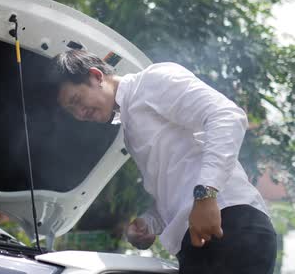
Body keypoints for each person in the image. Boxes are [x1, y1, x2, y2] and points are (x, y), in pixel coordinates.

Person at [49, 49, 276, 273]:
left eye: (77, 100)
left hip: (231, 226)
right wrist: (149, 223)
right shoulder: (129, 129)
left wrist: (206, 195)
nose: (79, 113)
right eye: (71, 110)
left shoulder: (151, 81)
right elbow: (177, 185)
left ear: (96, 76)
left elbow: (227, 116)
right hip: (198, 241)